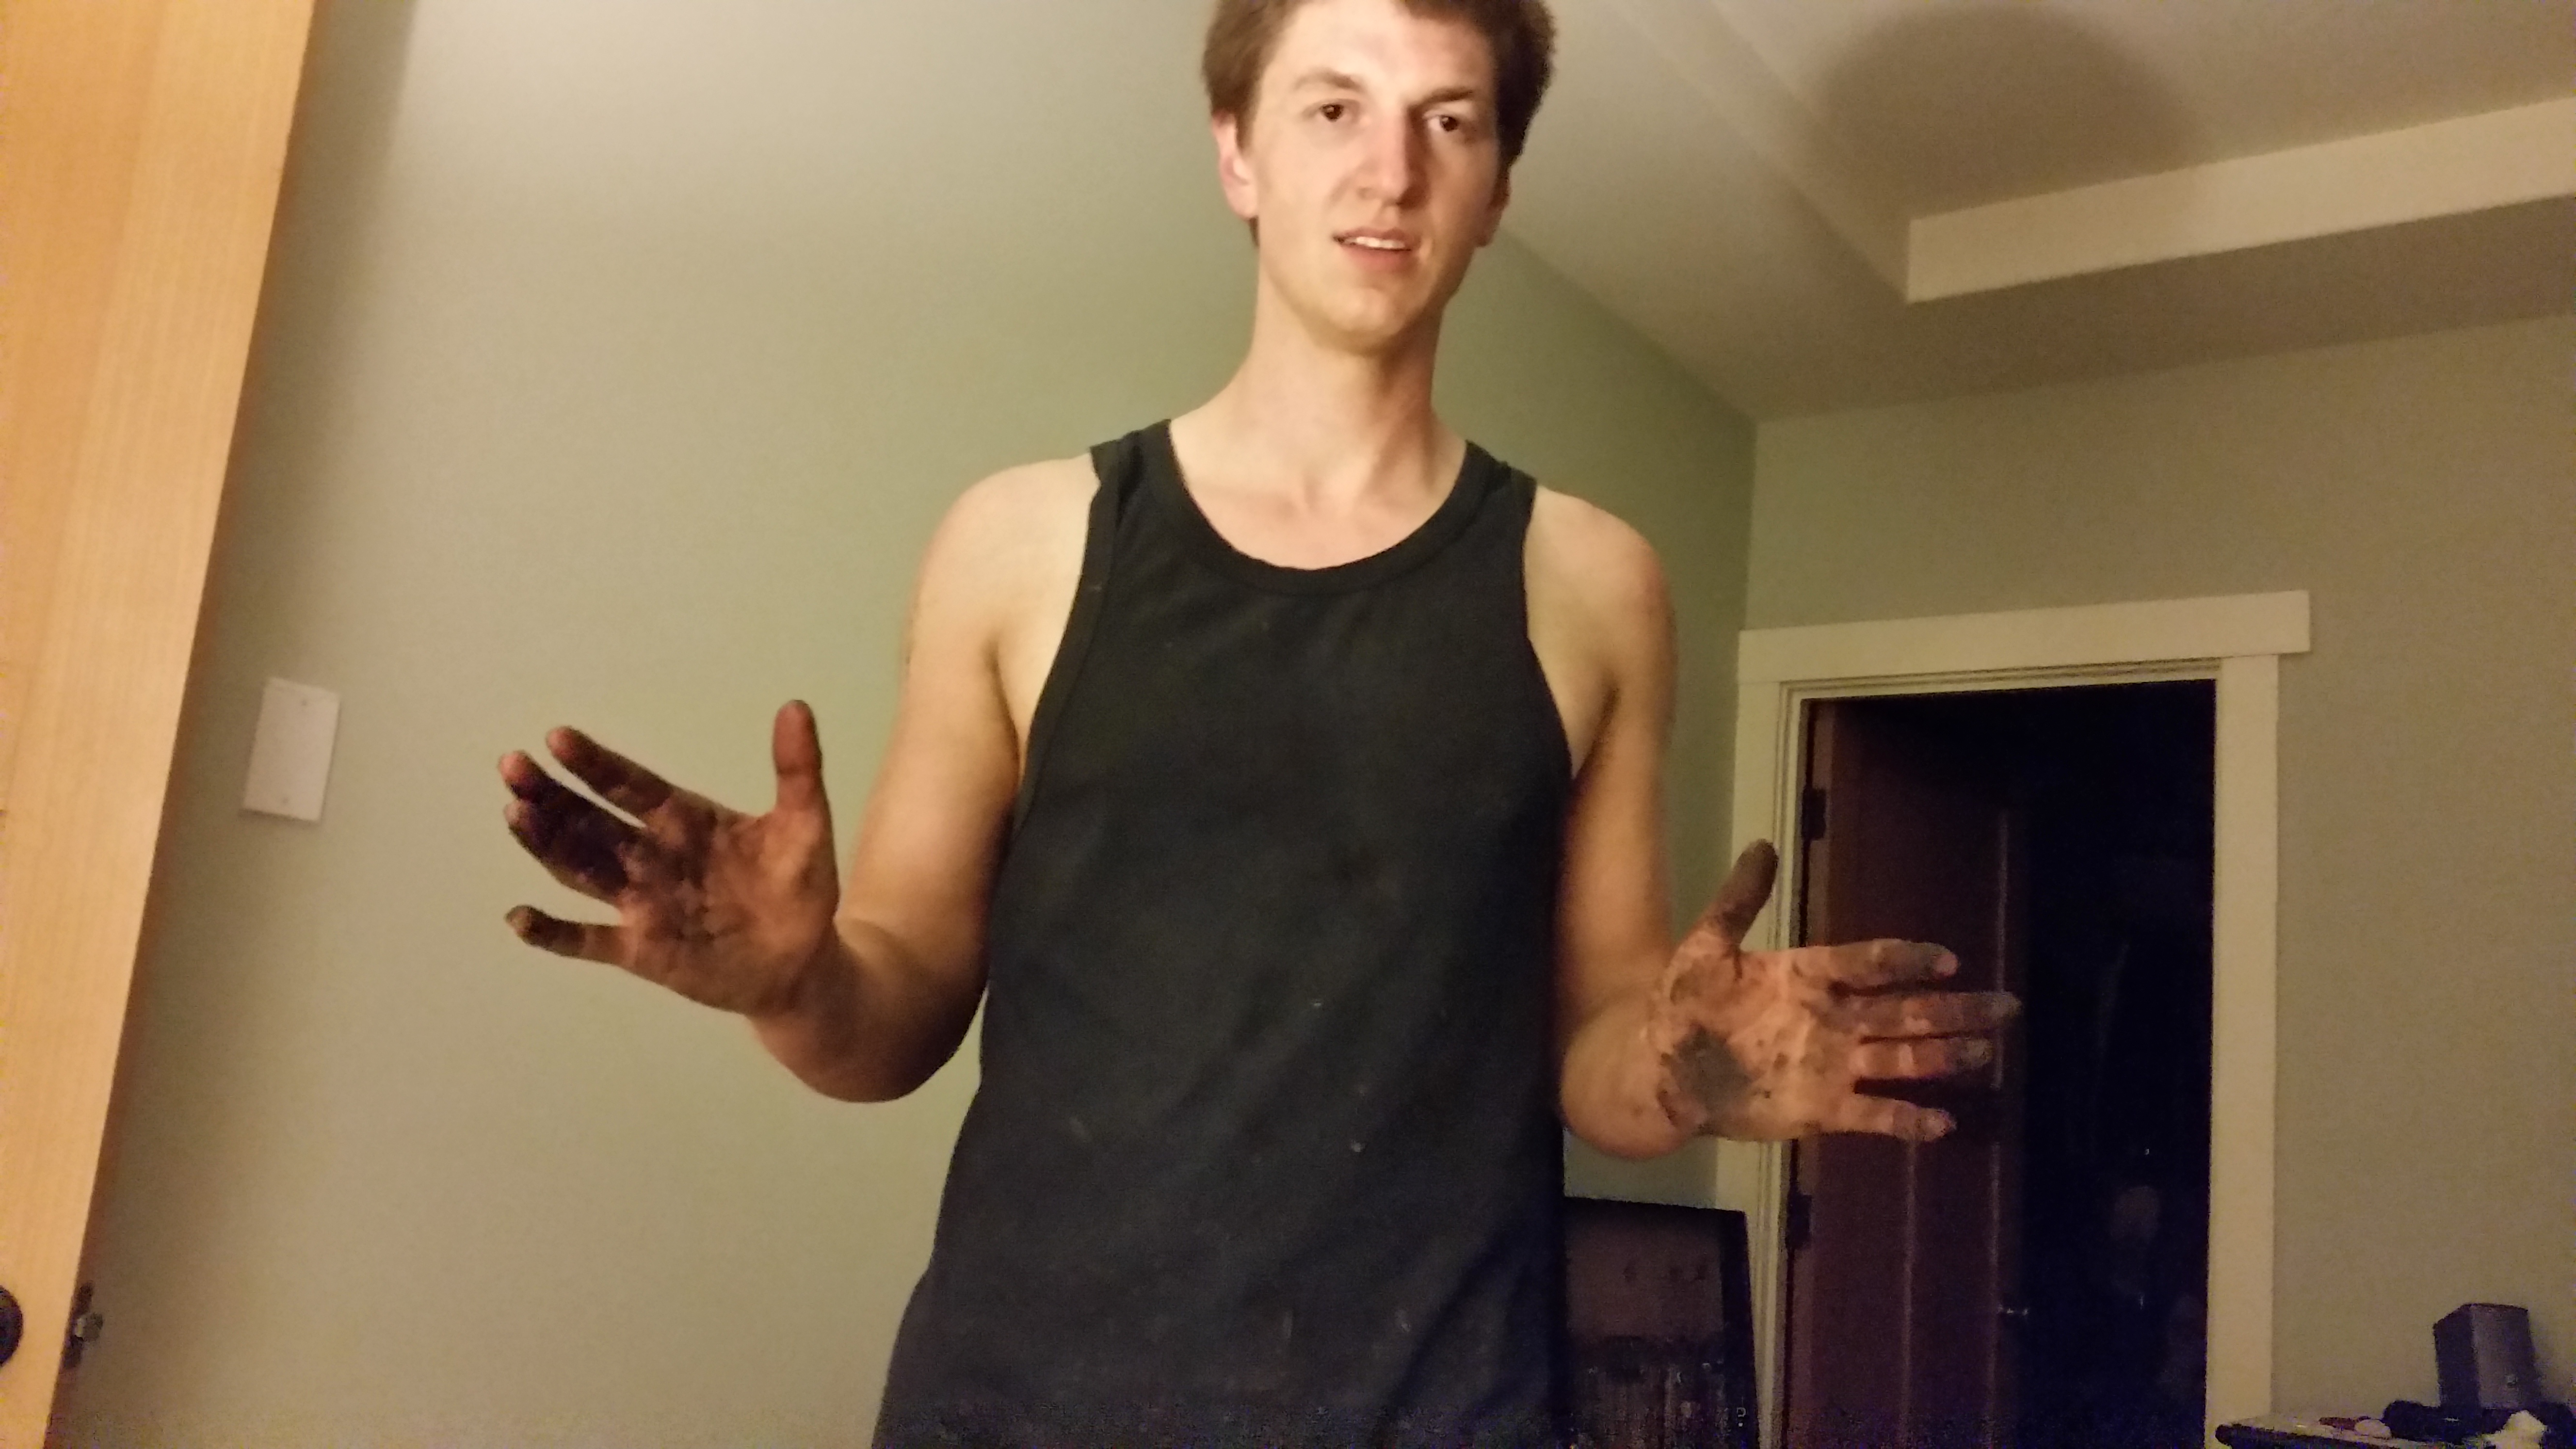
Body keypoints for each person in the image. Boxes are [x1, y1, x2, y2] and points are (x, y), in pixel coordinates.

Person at [497, 0, 2017, 1442]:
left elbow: (1596, 1039)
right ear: (1237, 149)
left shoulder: (1595, 583)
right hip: (1019, 1404)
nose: (1391, 169)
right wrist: (792, 984)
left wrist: (1686, 1066)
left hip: (1438, 1407)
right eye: (1334, 108)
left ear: (1497, 188)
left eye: (1449, 120)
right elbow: (893, 1010)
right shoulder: (1022, 544)